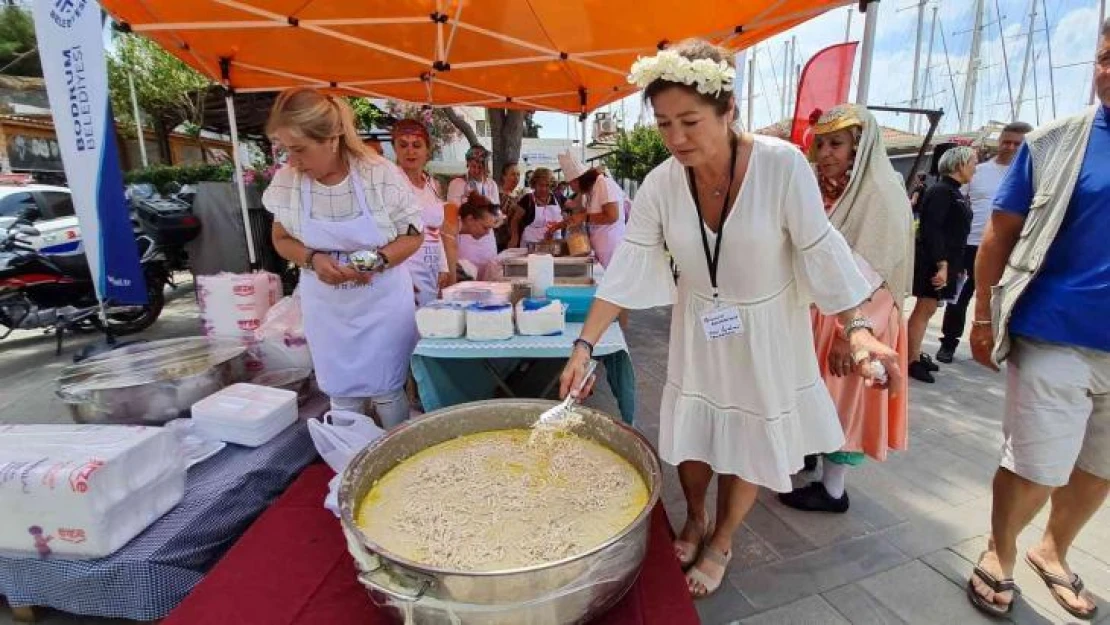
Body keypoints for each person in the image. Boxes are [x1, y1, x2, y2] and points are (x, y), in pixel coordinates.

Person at [558, 40, 900, 598]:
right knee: (692, 439)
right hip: (699, 326)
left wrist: (857, 328)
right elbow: (626, 266)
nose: (675, 138)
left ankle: (722, 538)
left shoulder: (782, 165)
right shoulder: (665, 181)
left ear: (728, 111)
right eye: (665, 123)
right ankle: (694, 517)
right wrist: (583, 346)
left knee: (747, 437)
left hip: (767, 328)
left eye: (690, 121)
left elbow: (820, 248)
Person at [965, 22, 1110, 620]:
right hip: (1056, 333)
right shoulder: (1053, 143)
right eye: (1106, 56)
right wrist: (981, 316)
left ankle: (1053, 550)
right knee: (1036, 463)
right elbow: (997, 237)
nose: (1109, 70)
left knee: (1102, 467)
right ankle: (1000, 552)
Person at [777, 104, 913, 514]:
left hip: (857, 318)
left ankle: (834, 490)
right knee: (814, 392)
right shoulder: (827, 187)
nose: (825, 153)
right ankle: (809, 455)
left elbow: (874, 274)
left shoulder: (880, 194)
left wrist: (848, 332)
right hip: (818, 312)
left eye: (837, 143)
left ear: (860, 146)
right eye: (821, 143)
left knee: (845, 398)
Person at [263, 88, 422, 427]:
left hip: (381, 302)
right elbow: (280, 238)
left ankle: (395, 456)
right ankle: (348, 463)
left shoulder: (378, 174)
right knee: (342, 392)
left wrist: (373, 260)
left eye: (299, 150)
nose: (293, 161)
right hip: (327, 307)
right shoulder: (288, 181)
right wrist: (312, 258)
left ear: (332, 139)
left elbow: (413, 235)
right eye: (287, 150)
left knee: (387, 388)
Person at [935, 122, 1032, 363]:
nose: (1010, 147)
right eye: (1006, 141)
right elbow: (955, 197)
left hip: (1011, 249)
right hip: (970, 245)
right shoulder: (979, 171)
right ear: (999, 141)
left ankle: (997, 347)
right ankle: (948, 343)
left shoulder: (1033, 176)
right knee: (959, 298)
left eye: (1017, 144)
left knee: (1004, 302)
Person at [904, 146, 976, 383]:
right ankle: (910, 359)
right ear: (960, 165)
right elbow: (932, 229)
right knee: (924, 309)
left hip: (948, 260)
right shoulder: (942, 191)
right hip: (935, 261)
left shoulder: (953, 191)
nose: (975, 168)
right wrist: (942, 264)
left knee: (929, 309)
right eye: (972, 163)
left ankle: (914, 353)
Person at [392, 119, 453, 305]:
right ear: (395, 149)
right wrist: (399, 277)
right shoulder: (391, 183)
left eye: (417, 145)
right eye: (403, 145)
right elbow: (384, 235)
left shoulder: (432, 184)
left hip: (432, 271)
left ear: (427, 150)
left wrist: (443, 266)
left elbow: (436, 230)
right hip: (405, 273)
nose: (410, 151)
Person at [552, 152, 629, 266]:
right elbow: (579, 217)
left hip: (612, 247)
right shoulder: (588, 192)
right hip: (600, 248)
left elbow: (612, 216)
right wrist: (557, 226)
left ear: (578, 180)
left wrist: (584, 217)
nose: (571, 188)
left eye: (571, 184)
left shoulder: (603, 183)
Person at [447, 144, 500, 278]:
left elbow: (496, 211)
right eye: (473, 166)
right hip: (466, 238)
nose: (476, 170)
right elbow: (454, 211)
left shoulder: (491, 184)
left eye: (480, 166)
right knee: (468, 274)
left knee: (488, 275)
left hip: (487, 238)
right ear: (468, 164)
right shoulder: (457, 183)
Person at [510, 167, 564, 248]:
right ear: (534, 184)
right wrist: (514, 238)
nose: (544, 189)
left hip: (554, 243)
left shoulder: (557, 197)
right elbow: (515, 220)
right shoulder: (527, 199)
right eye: (540, 185)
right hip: (530, 244)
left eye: (547, 185)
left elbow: (575, 205)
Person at [496, 162, 522, 251]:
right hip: (500, 242)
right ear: (504, 176)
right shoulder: (496, 195)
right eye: (513, 174)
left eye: (518, 174)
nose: (516, 178)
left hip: (518, 241)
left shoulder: (519, 196)